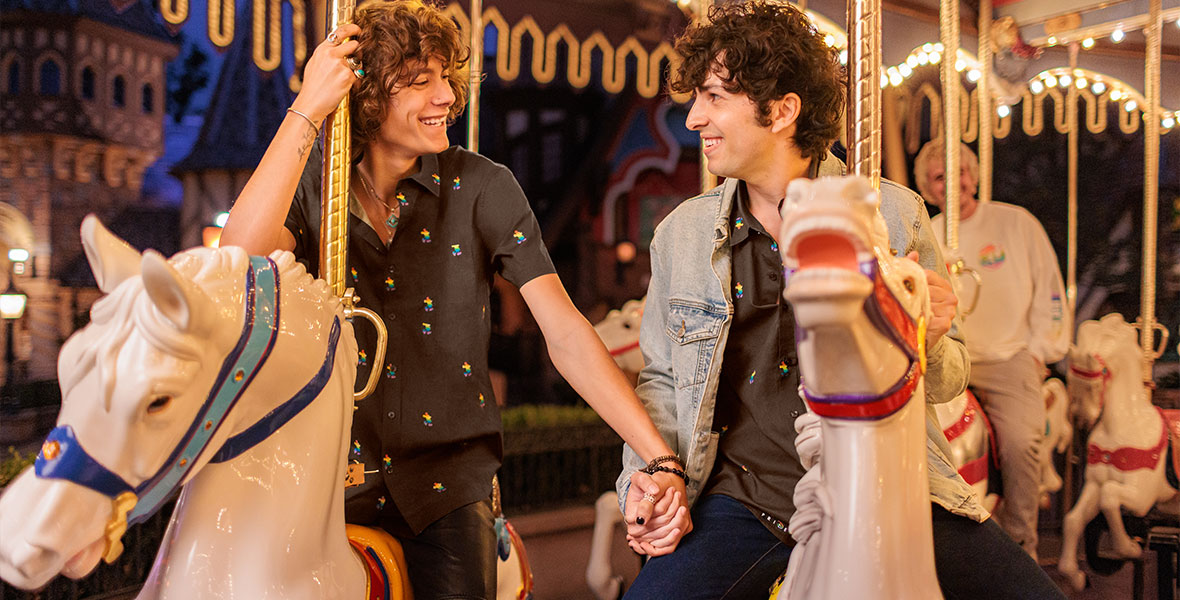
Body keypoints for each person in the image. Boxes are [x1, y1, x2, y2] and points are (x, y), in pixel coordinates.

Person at [218, 2, 688, 598]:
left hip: (442, 486)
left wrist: (656, 456)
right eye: (420, 82)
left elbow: (565, 332)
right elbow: (238, 259)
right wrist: (309, 108)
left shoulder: (482, 188)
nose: (448, 96)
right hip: (326, 478)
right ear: (365, 96)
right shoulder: (319, 186)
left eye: (447, 77)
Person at [617, 3, 1066, 599]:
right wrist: (643, 479)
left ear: (781, 111)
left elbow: (950, 377)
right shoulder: (683, 235)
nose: (694, 116)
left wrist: (927, 337)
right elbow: (663, 383)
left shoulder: (894, 215)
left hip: (888, 486)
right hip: (741, 499)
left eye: (714, 97)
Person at [915, 139, 1072, 560]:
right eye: (940, 177)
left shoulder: (1015, 223)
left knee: (1021, 442)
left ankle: (1023, 546)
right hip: (945, 355)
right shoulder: (927, 230)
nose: (954, 183)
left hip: (1005, 358)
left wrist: (1041, 351)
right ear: (928, 188)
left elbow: (1051, 294)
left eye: (960, 172)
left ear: (975, 175)